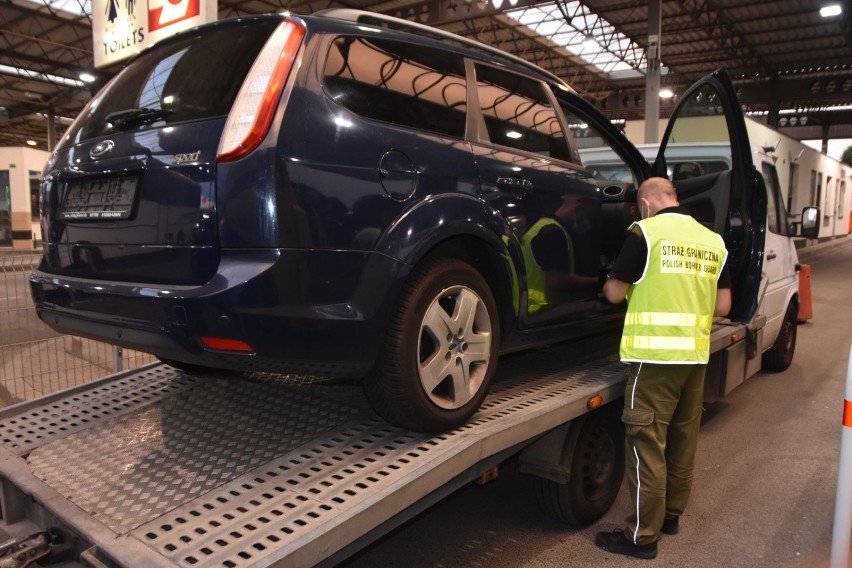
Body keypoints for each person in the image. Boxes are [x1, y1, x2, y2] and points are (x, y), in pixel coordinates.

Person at [595, 177, 732, 560]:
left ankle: (642, 536)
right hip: (694, 357)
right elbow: (723, 306)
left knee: (646, 444)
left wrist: (617, 280)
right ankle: (670, 516)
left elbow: (614, 293)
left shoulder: (646, 233)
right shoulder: (712, 241)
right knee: (683, 440)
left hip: (655, 358)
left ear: (645, 203)